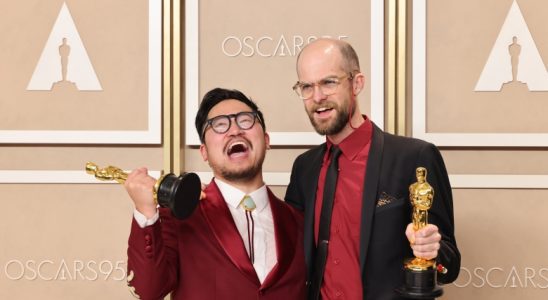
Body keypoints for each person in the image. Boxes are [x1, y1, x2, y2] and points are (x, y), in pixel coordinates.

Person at [285, 38, 460, 300]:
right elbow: (287, 246)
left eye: (329, 82)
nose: (317, 97)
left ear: (357, 83)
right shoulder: (304, 167)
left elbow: (450, 265)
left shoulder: (415, 157)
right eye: (307, 86)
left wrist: (432, 250)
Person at [124, 88, 307, 299]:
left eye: (246, 121)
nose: (235, 131)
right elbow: (149, 289)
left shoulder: (299, 222)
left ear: (266, 140)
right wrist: (146, 212)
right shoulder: (179, 218)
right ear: (205, 152)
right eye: (220, 125)